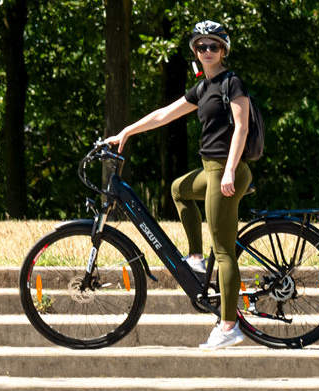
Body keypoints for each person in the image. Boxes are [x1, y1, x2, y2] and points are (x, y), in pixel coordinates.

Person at [101, 20, 256, 349]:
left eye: (213, 46)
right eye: (201, 46)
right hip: (210, 169)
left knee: (226, 250)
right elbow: (164, 114)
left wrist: (229, 171)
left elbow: (241, 129)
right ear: (195, 52)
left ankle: (230, 326)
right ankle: (196, 257)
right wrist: (127, 131)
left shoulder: (232, 83)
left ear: (223, 50)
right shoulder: (204, 87)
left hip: (227, 170)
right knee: (178, 189)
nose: (207, 51)